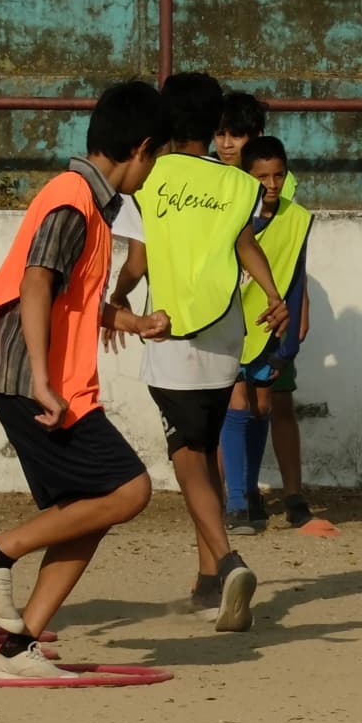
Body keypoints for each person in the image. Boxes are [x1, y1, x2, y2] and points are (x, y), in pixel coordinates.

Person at [0, 81, 167, 678]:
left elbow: (71, 295)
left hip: (40, 377)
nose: (149, 177)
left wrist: (132, 320)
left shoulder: (87, 203)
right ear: (142, 148)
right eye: (155, 161)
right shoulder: (73, 199)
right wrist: (46, 381)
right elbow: (36, 282)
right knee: (130, 491)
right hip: (36, 379)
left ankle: (19, 652)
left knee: (90, 511)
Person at [107, 72, 286, 631]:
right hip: (225, 331)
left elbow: (140, 258)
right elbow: (244, 243)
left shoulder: (149, 178)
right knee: (204, 450)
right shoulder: (236, 183)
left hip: (172, 333)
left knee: (186, 456)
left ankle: (229, 562)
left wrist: (116, 297)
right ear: (215, 125)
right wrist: (275, 296)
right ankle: (210, 578)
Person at [219, 134, 315, 532]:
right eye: (263, 178)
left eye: (278, 176)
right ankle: (236, 501)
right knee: (236, 405)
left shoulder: (296, 218)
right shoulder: (228, 215)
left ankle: (252, 496)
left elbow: (294, 278)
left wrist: (288, 345)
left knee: (263, 407)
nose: (272, 185)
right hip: (226, 324)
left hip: (268, 328)